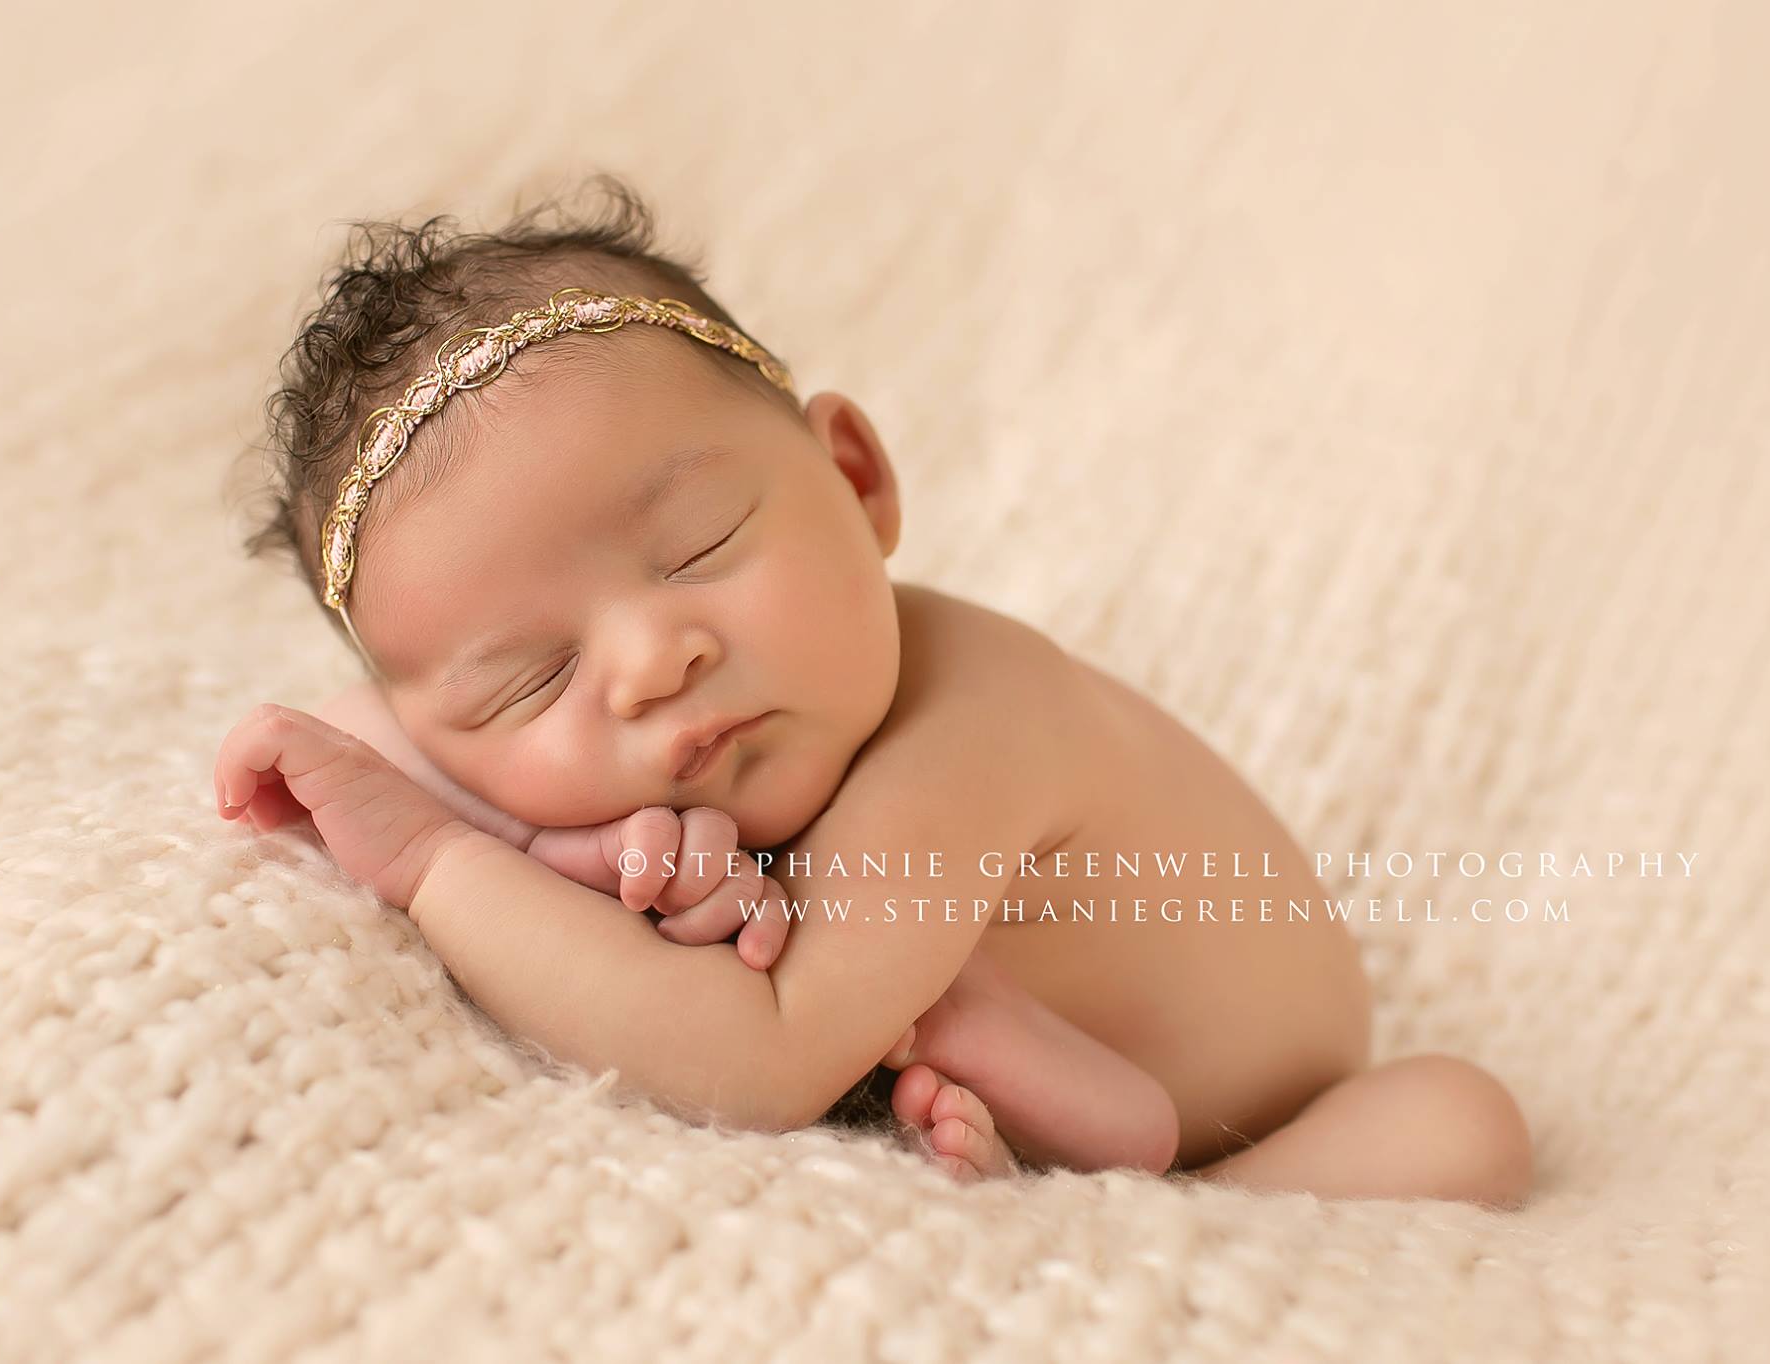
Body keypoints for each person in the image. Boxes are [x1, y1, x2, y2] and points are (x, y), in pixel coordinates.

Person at [215, 173, 1531, 1204]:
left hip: (1278, 1096)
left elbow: (762, 1062)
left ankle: (1187, 1194)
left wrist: (447, 860)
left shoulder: (972, 722)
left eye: (701, 549)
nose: (648, 663)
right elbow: (353, 738)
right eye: (534, 677)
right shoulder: (656, 745)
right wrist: (531, 818)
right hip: (994, 1035)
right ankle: (1047, 1094)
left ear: (856, 479)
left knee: (1461, 1125)